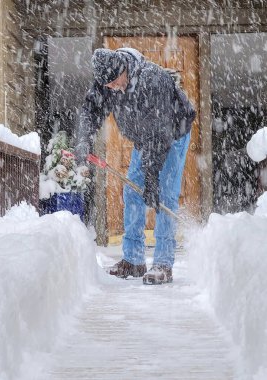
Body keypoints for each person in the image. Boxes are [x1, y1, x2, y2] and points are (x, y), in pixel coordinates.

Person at [76, 47, 196, 284]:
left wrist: (152, 179)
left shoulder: (154, 80)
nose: (111, 88)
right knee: (132, 192)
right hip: (146, 138)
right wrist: (83, 140)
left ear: (124, 69)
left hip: (172, 134)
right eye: (106, 85)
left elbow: (160, 132)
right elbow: (89, 111)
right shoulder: (106, 81)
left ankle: (162, 263)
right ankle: (133, 260)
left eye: (113, 82)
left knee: (164, 196)